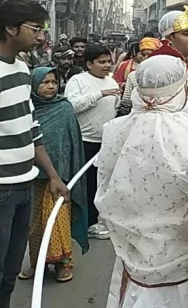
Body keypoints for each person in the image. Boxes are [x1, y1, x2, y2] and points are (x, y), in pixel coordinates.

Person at [0, 0, 69, 308]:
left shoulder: (24, 68)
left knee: (9, 274)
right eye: (35, 28)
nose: (41, 36)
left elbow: (30, 127)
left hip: (24, 188)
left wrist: (52, 175)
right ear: (10, 28)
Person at [96, 55, 188, 308]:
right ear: (181, 88)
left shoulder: (115, 129)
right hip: (184, 250)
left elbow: (105, 185)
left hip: (134, 246)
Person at [19, 67, 88, 283]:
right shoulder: (25, 109)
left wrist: (59, 174)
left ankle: (63, 264)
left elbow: (71, 143)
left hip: (59, 177)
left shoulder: (64, 108)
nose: (51, 86)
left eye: (54, 82)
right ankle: (36, 263)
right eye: (45, 82)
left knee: (57, 220)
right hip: (31, 178)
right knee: (35, 225)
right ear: (33, 85)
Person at [65, 44, 120, 241]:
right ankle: (80, 223)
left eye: (108, 61)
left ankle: (92, 221)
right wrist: (100, 94)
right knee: (82, 184)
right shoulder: (78, 80)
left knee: (99, 184)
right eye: (101, 62)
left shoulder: (112, 81)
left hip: (105, 143)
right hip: (83, 141)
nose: (106, 65)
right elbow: (71, 105)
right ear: (89, 63)